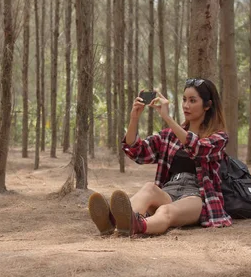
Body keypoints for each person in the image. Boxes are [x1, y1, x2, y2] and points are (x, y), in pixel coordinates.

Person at [88, 78, 232, 237]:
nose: (186, 105)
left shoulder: (219, 137)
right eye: (184, 100)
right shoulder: (170, 136)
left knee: (165, 211)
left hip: (197, 196)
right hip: (170, 190)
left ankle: (137, 225)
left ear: (207, 105)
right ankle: (115, 223)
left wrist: (168, 118)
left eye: (192, 101)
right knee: (149, 188)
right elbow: (137, 151)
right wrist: (134, 118)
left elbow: (198, 148)